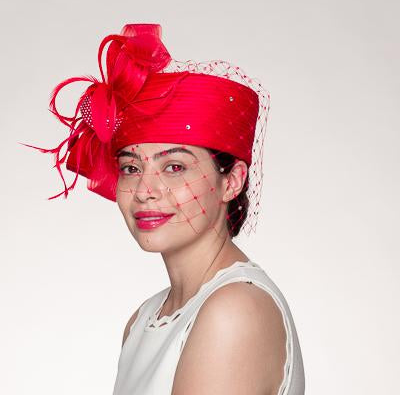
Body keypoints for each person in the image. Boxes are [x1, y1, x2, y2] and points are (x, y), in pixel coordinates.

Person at [21, 23, 305, 395]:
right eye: (131, 168)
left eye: (174, 168)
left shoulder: (234, 311)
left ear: (231, 181)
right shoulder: (143, 320)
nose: (144, 191)